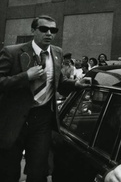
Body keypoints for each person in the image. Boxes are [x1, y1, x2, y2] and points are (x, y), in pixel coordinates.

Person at [0, 15, 90, 182]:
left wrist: (76, 84)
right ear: (33, 30)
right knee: (8, 171)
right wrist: (25, 76)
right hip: (15, 120)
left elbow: (59, 82)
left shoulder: (57, 53)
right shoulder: (12, 52)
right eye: (44, 29)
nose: (49, 33)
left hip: (42, 119)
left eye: (53, 30)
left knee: (38, 171)